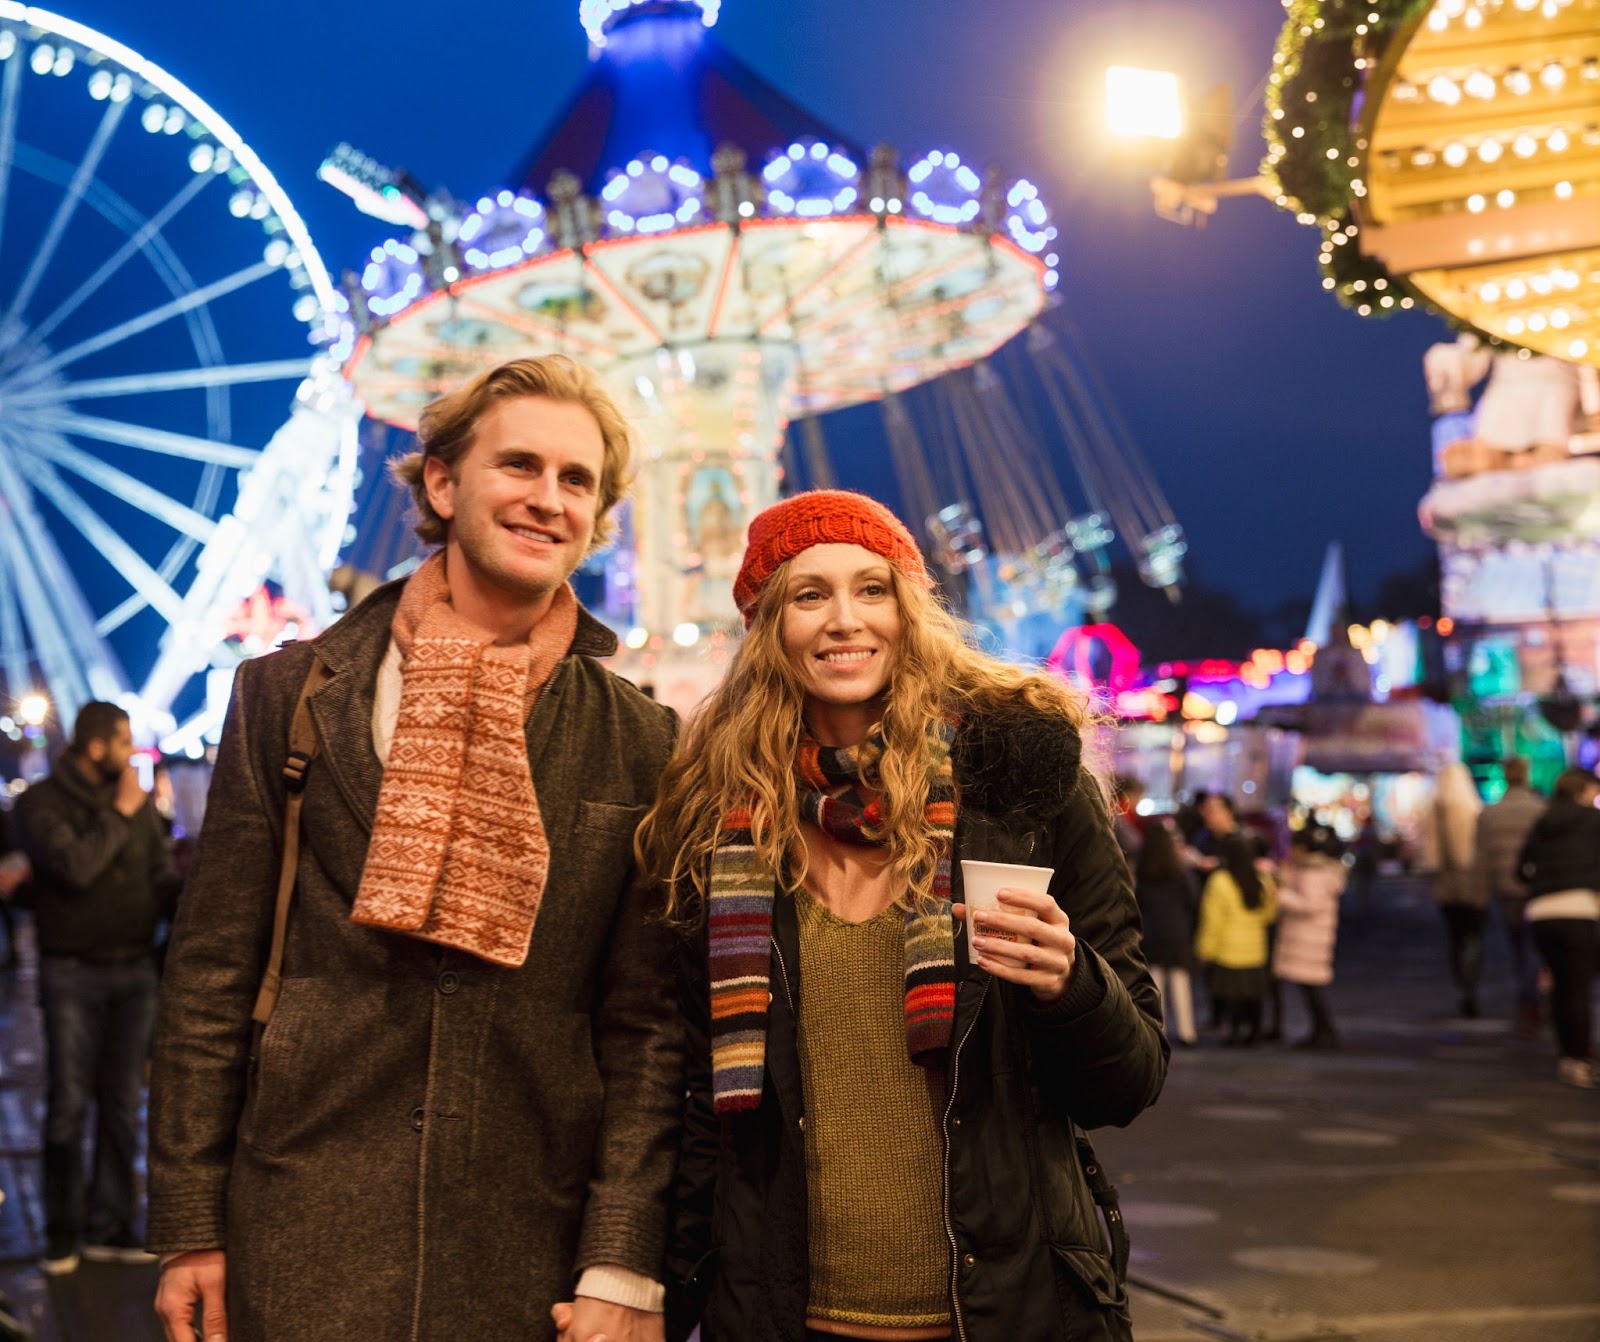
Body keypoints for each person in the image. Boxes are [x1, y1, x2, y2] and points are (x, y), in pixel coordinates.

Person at [147, 355, 683, 1342]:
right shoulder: (290, 695)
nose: (548, 499)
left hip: (531, 1245)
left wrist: (625, 1261)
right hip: (305, 1225)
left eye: (577, 481)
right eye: (519, 465)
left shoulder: (640, 737)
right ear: (442, 482)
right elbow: (211, 977)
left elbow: (647, 1026)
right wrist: (189, 1223)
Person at [643, 490, 1167, 1342]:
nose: (845, 621)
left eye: (872, 589)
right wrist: (663, 1286)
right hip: (783, 1316)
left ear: (909, 609)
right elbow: (700, 1099)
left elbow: (1130, 1080)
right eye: (809, 595)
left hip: (1004, 1312)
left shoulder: (1019, 786)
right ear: (767, 625)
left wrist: (1072, 984)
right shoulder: (718, 817)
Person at [14, 701, 180, 1274]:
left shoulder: (135, 805)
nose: (131, 750)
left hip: (134, 969)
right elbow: (76, 867)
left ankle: (110, 1224)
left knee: (121, 1106)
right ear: (94, 747)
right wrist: (122, 812)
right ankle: (61, 1233)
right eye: (123, 740)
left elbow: (158, 876)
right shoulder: (40, 806)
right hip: (72, 971)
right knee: (67, 1105)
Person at [1515, 768, 1600, 1089]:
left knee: (1563, 986)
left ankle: (1568, 1056)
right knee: (1578, 988)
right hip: (1578, 909)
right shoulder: (1594, 821)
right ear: (1583, 791)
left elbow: (1520, 868)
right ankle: (1580, 1060)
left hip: (1541, 912)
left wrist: (1541, 883)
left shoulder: (1543, 821)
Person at [1472, 757, 1546, 1035]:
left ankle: (1528, 998)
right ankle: (1532, 998)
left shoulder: (1490, 814)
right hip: (1536, 887)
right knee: (1534, 947)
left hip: (1505, 889)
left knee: (1517, 946)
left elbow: (1480, 858)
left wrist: (1479, 895)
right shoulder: (1539, 809)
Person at [1194, 834, 1277, 1047]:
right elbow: (1269, 914)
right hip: (1255, 949)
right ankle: (1255, 1032)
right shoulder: (1261, 878)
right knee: (1253, 995)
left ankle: (1235, 1032)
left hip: (1228, 949)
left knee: (1232, 995)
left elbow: (1212, 920)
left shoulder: (1220, 881)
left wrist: (1205, 950)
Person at [1272, 826, 1346, 1050]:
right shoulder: (1310, 869)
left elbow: (1309, 904)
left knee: (1311, 988)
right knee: (1310, 989)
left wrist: (1280, 896)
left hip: (1308, 937)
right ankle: (1321, 1030)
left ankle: (1325, 1031)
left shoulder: (1314, 873)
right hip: (1310, 937)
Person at [1424, 762, 1487, 1018]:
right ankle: (1470, 986)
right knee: (1473, 938)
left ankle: (1462, 985)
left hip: (1446, 887)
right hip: (1473, 885)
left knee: (1456, 938)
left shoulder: (1433, 809)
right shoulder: (1472, 808)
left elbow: (1429, 854)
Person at [1134, 817, 1198, 1047]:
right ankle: (1187, 1032)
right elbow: (1192, 900)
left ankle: (1158, 1029)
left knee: (1155, 982)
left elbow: (1138, 903)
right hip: (1177, 933)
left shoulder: (1144, 873)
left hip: (1152, 934)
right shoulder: (1179, 872)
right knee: (1180, 981)